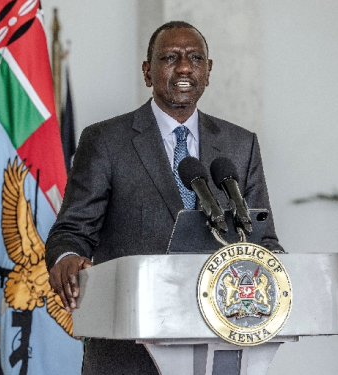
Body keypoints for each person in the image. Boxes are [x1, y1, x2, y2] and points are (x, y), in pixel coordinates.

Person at [46, 21, 283, 374]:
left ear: (208, 70)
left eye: (195, 58)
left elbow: (263, 239)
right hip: (128, 352)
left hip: (221, 344)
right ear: (147, 71)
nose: (185, 67)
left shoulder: (239, 144)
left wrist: (280, 265)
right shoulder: (106, 141)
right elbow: (72, 231)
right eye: (170, 57)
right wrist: (67, 257)